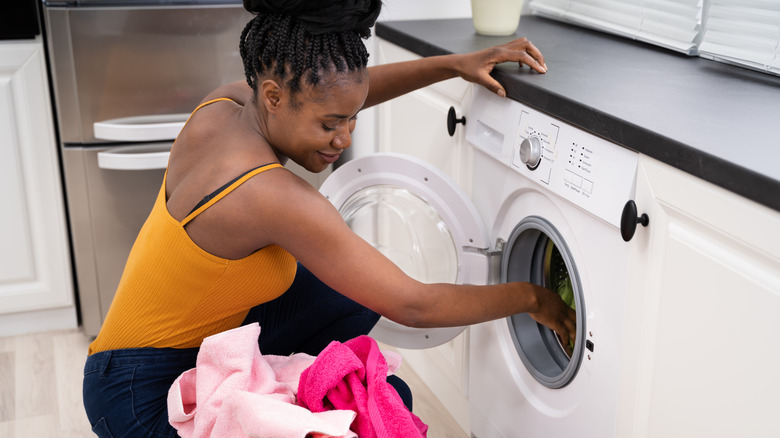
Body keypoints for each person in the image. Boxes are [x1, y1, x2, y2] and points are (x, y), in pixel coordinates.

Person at [82, 0, 573, 436]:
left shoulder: (226, 104)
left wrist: (452, 66)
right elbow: (414, 306)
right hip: (139, 398)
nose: (343, 138)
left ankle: (309, 379)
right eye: (330, 125)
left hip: (137, 354)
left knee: (344, 292)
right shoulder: (269, 194)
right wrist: (533, 296)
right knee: (373, 408)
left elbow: (334, 90)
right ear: (273, 96)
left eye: (350, 119)